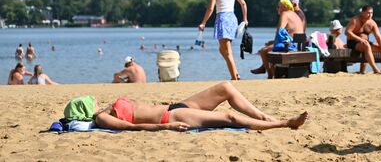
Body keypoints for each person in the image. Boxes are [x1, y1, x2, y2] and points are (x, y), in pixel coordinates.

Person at [90, 81, 308, 131]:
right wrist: (166, 128)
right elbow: (133, 128)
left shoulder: (109, 106)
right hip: (171, 119)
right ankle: (285, 123)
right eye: (88, 102)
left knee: (225, 87)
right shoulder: (101, 118)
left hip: (175, 107)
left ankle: (263, 117)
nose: (93, 100)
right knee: (228, 118)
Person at [199, 0, 248, 80]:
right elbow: (243, 3)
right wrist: (245, 19)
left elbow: (210, 8)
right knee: (223, 49)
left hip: (222, 19)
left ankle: (234, 76)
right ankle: (235, 73)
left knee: (226, 51)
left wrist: (203, 22)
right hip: (232, 18)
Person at [251, 0, 305, 78]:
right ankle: (267, 70)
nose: (277, 9)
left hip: (291, 46)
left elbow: (279, 31)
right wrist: (273, 42)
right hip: (298, 45)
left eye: (279, 7)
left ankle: (270, 75)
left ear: (285, 7)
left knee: (264, 51)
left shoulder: (285, 14)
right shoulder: (295, 15)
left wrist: (274, 43)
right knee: (270, 47)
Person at [345, 5, 381, 74]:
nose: (370, 15)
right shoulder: (355, 20)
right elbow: (347, 32)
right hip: (353, 42)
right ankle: (375, 69)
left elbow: (378, 37)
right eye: (368, 13)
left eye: (371, 13)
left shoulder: (372, 23)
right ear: (362, 12)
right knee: (367, 46)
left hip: (366, 43)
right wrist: (360, 39)